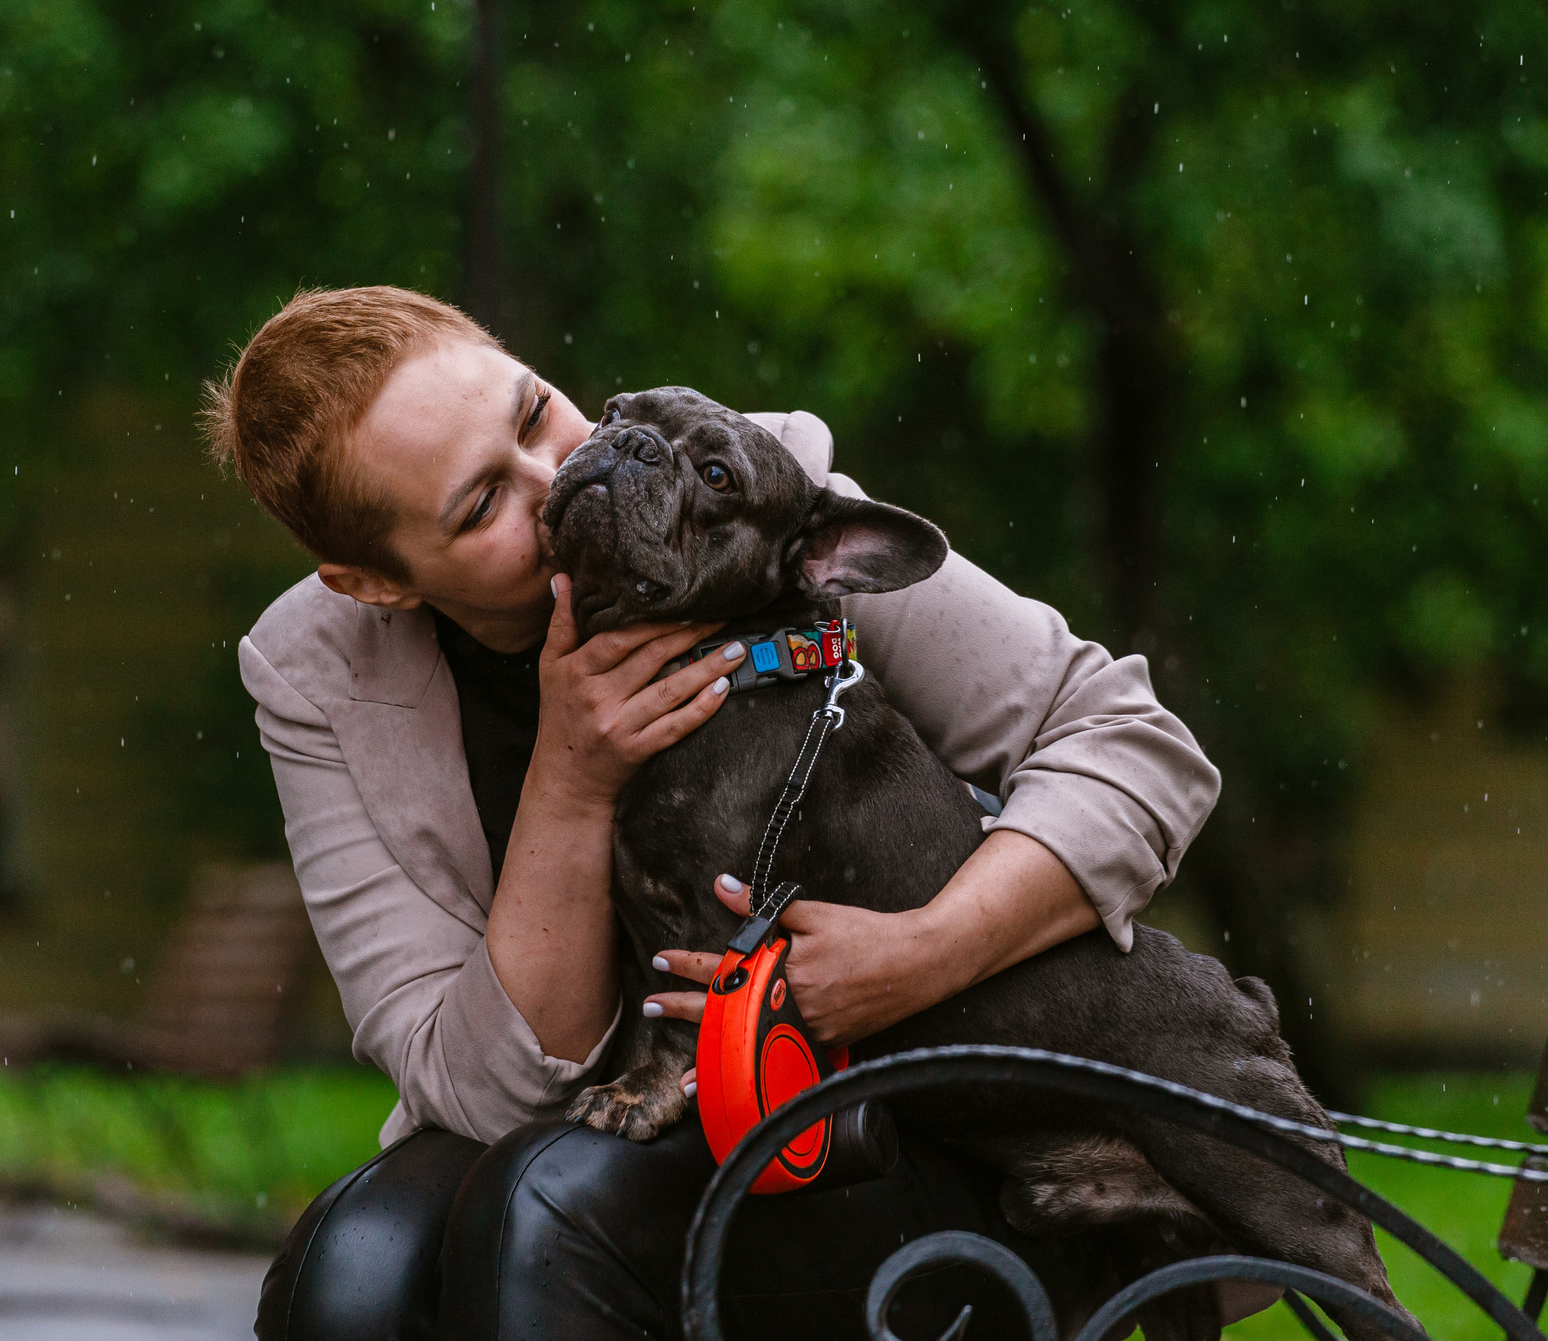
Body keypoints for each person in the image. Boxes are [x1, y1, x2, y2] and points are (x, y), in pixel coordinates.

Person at [204, 286, 1222, 1340]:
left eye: (535, 412)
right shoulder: (318, 675)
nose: (557, 476)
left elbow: (1133, 746)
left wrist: (924, 952)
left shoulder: (751, 506)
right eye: (480, 506)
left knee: (544, 1212)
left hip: (890, 1126)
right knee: (354, 1271)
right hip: (568, 1138)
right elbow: (478, 1093)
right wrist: (571, 776)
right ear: (375, 583)